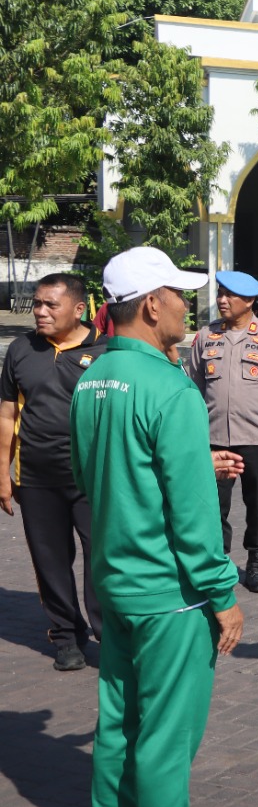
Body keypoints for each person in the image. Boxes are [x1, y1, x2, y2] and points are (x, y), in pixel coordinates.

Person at [70, 247, 254, 807]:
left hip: (113, 580)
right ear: (152, 305)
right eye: (178, 293)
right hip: (168, 592)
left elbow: (97, 477)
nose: (188, 305)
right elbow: (192, 515)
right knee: (167, 731)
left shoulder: (92, 377)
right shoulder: (170, 388)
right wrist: (222, 593)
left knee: (118, 719)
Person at [0, 272, 107, 671]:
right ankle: (65, 635)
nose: (39, 312)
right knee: (50, 562)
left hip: (92, 479)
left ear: (79, 309)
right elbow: (6, 412)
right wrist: (2, 476)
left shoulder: (105, 353)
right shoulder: (22, 349)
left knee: (102, 558)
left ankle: (107, 633)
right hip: (36, 479)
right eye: (37, 303)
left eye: (50, 305)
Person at [183, 270, 258, 594]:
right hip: (214, 438)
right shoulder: (206, 336)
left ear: (249, 301)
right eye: (220, 294)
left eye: (229, 296)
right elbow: (193, 384)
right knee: (213, 505)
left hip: (257, 438)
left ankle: (256, 564)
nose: (222, 301)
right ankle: (219, 562)